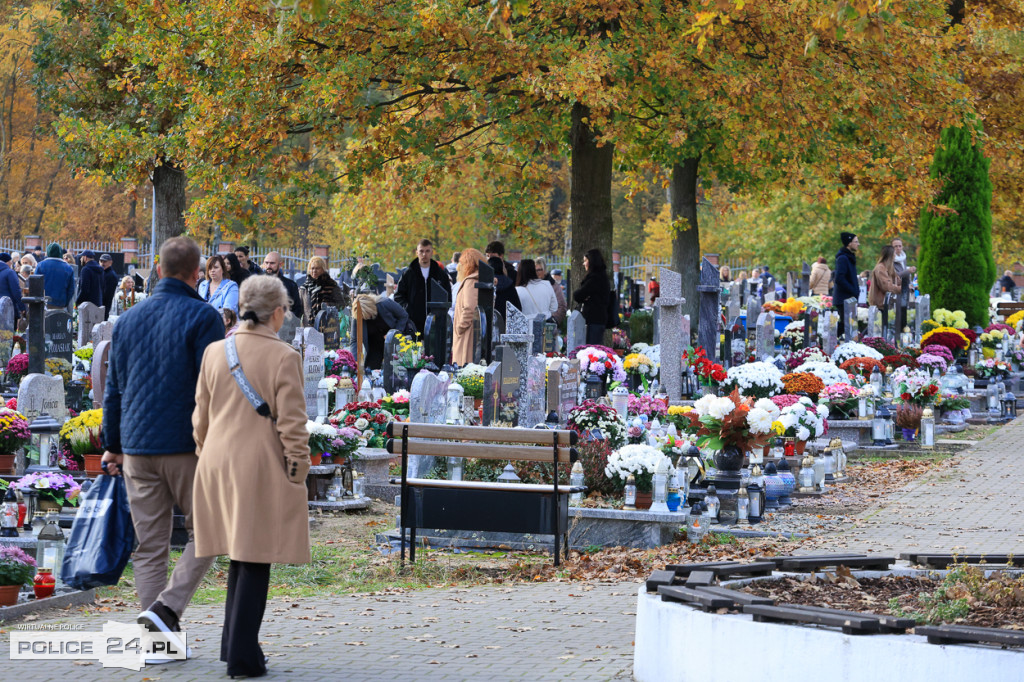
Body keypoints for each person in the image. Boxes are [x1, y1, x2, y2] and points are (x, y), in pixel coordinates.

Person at [100, 236, 224, 662]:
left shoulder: (129, 319)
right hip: (186, 446)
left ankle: (155, 642)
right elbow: (213, 388)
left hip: (136, 446)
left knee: (149, 545)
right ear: (197, 273)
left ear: (156, 270)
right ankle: (167, 609)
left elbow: (113, 390)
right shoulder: (204, 316)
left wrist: (112, 445)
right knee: (212, 530)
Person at [192, 275, 309, 678]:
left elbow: (200, 418)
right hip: (257, 463)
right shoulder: (283, 357)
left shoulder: (214, 351)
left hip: (215, 460)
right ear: (277, 312)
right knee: (256, 556)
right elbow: (292, 424)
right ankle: (243, 657)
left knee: (241, 555)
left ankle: (235, 646)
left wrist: (204, 453)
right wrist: (298, 467)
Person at [394, 239, 452, 334]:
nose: (424, 254)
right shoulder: (408, 274)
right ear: (417, 252)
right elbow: (398, 296)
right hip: (413, 323)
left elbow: (447, 297)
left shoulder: (440, 274)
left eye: (427, 251)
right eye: (421, 251)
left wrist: (441, 313)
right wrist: (409, 310)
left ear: (432, 252)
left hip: (435, 323)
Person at [350, 293, 411, 369]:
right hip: (374, 345)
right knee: (371, 370)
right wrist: (355, 361)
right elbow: (354, 339)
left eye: (366, 315)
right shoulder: (357, 316)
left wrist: (393, 334)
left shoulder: (385, 303)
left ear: (371, 309)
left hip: (394, 342)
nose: (365, 319)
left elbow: (403, 315)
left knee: (396, 370)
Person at [573, 249, 612, 345]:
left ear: (592, 261)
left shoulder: (595, 278)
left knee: (592, 348)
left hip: (594, 319)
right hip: (598, 319)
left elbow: (578, 295)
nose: (584, 264)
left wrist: (586, 297)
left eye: (585, 261)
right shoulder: (601, 276)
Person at [452, 248, 484, 366]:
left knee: (463, 366)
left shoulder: (470, 281)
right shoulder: (477, 279)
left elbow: (469, 307)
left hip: (466, 333)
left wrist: (460, 327)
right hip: (470, 331)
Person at [261, 251, 303, 319]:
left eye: (272, 263)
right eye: (266, 263)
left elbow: (297, 310)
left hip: (284, 326)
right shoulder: (256, 284)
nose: (268, 266)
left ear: (280, 264)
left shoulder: (291, 286)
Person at [299, 256, 342, 322]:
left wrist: (328, 306)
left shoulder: (331, 285)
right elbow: (299, 310)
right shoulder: (304, 288)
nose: (314, 271)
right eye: (312, 268)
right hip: (308, 327)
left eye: (317, 268)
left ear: (323, 269)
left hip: (327, 326)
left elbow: (341, 304)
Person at [34, 243, 75, 309]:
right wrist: (65, 302)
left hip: (43, 303)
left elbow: (35, 285)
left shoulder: (40, 265)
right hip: (60, 303)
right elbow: (71, 289)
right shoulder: (68, 268)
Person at [834, 232, 860, 335]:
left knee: (847, 324)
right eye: (856, 241)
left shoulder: (849, 257)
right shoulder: (843, 258)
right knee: (845, 324)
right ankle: (826, 342)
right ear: (849, 243)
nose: (858, 244)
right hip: (844, 298)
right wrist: (853, 290)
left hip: (849, 298)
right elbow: (839, 278)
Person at [533, 257, 566, 324]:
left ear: (544, 270)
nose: (537, 272)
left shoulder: (553, 285)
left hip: (547, 324)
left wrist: (553, 320)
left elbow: (561, 306)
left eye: (539, 270)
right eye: (535, 270)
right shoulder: (530, 284)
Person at [100, 254, 119, 319]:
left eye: (104, 262)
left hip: (104, 306)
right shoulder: (102, 272)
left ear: (110, 262)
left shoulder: (111, 275)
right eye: (101, 261)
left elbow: (107, 294)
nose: (102, 263)